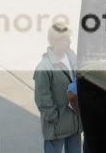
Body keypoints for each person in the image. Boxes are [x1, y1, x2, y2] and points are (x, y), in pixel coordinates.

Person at [34, 21, 81, 153]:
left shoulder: (73, 58)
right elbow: (42, 100)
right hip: (56, 127)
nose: (69, 42)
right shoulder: (44, 68)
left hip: (74, 123)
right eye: (65, 39)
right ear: (54, 41)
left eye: (69, 38)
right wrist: (54, 118)